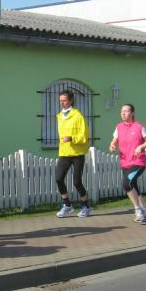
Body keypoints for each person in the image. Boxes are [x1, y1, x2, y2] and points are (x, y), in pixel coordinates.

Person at [109, 104, 146, 223]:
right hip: (125, 162)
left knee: (126, 184)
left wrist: (140, 147)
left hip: (138, 162)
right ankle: (145, 211)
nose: (123, 113)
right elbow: (114, 141)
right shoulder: (118, 127)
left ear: (132, 113)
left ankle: (138, 210)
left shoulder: (139, 127)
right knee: (133, 186)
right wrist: (112, 145)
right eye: (121, 111)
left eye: (126, 111)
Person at [55, 89, 91, 218]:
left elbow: (85, 136)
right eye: (60, 100)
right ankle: (67, 205)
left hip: (77, 153)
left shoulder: (78, 115)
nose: (62, 103)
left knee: (77, 182)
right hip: (64, 152)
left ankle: (85, 206)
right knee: (58, 179)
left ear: (71, 100)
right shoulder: (59, 116)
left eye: (64, 100)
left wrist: (72, 138)